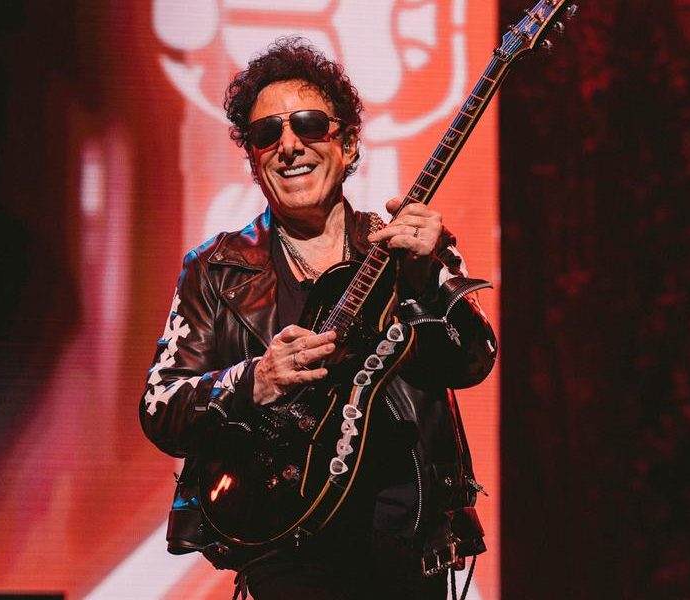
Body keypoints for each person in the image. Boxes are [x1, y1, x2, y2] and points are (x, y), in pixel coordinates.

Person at [139, 38, 496, 599]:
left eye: (308, 125)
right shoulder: (215, 270)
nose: (289, 145)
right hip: (286, 549)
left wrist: (428, 280)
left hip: (408, 544)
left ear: (347, 145)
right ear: (254, 160)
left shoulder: (408, 246)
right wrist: (253, 380)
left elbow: (473, 361)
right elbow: (160, 407)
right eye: (266, 134)